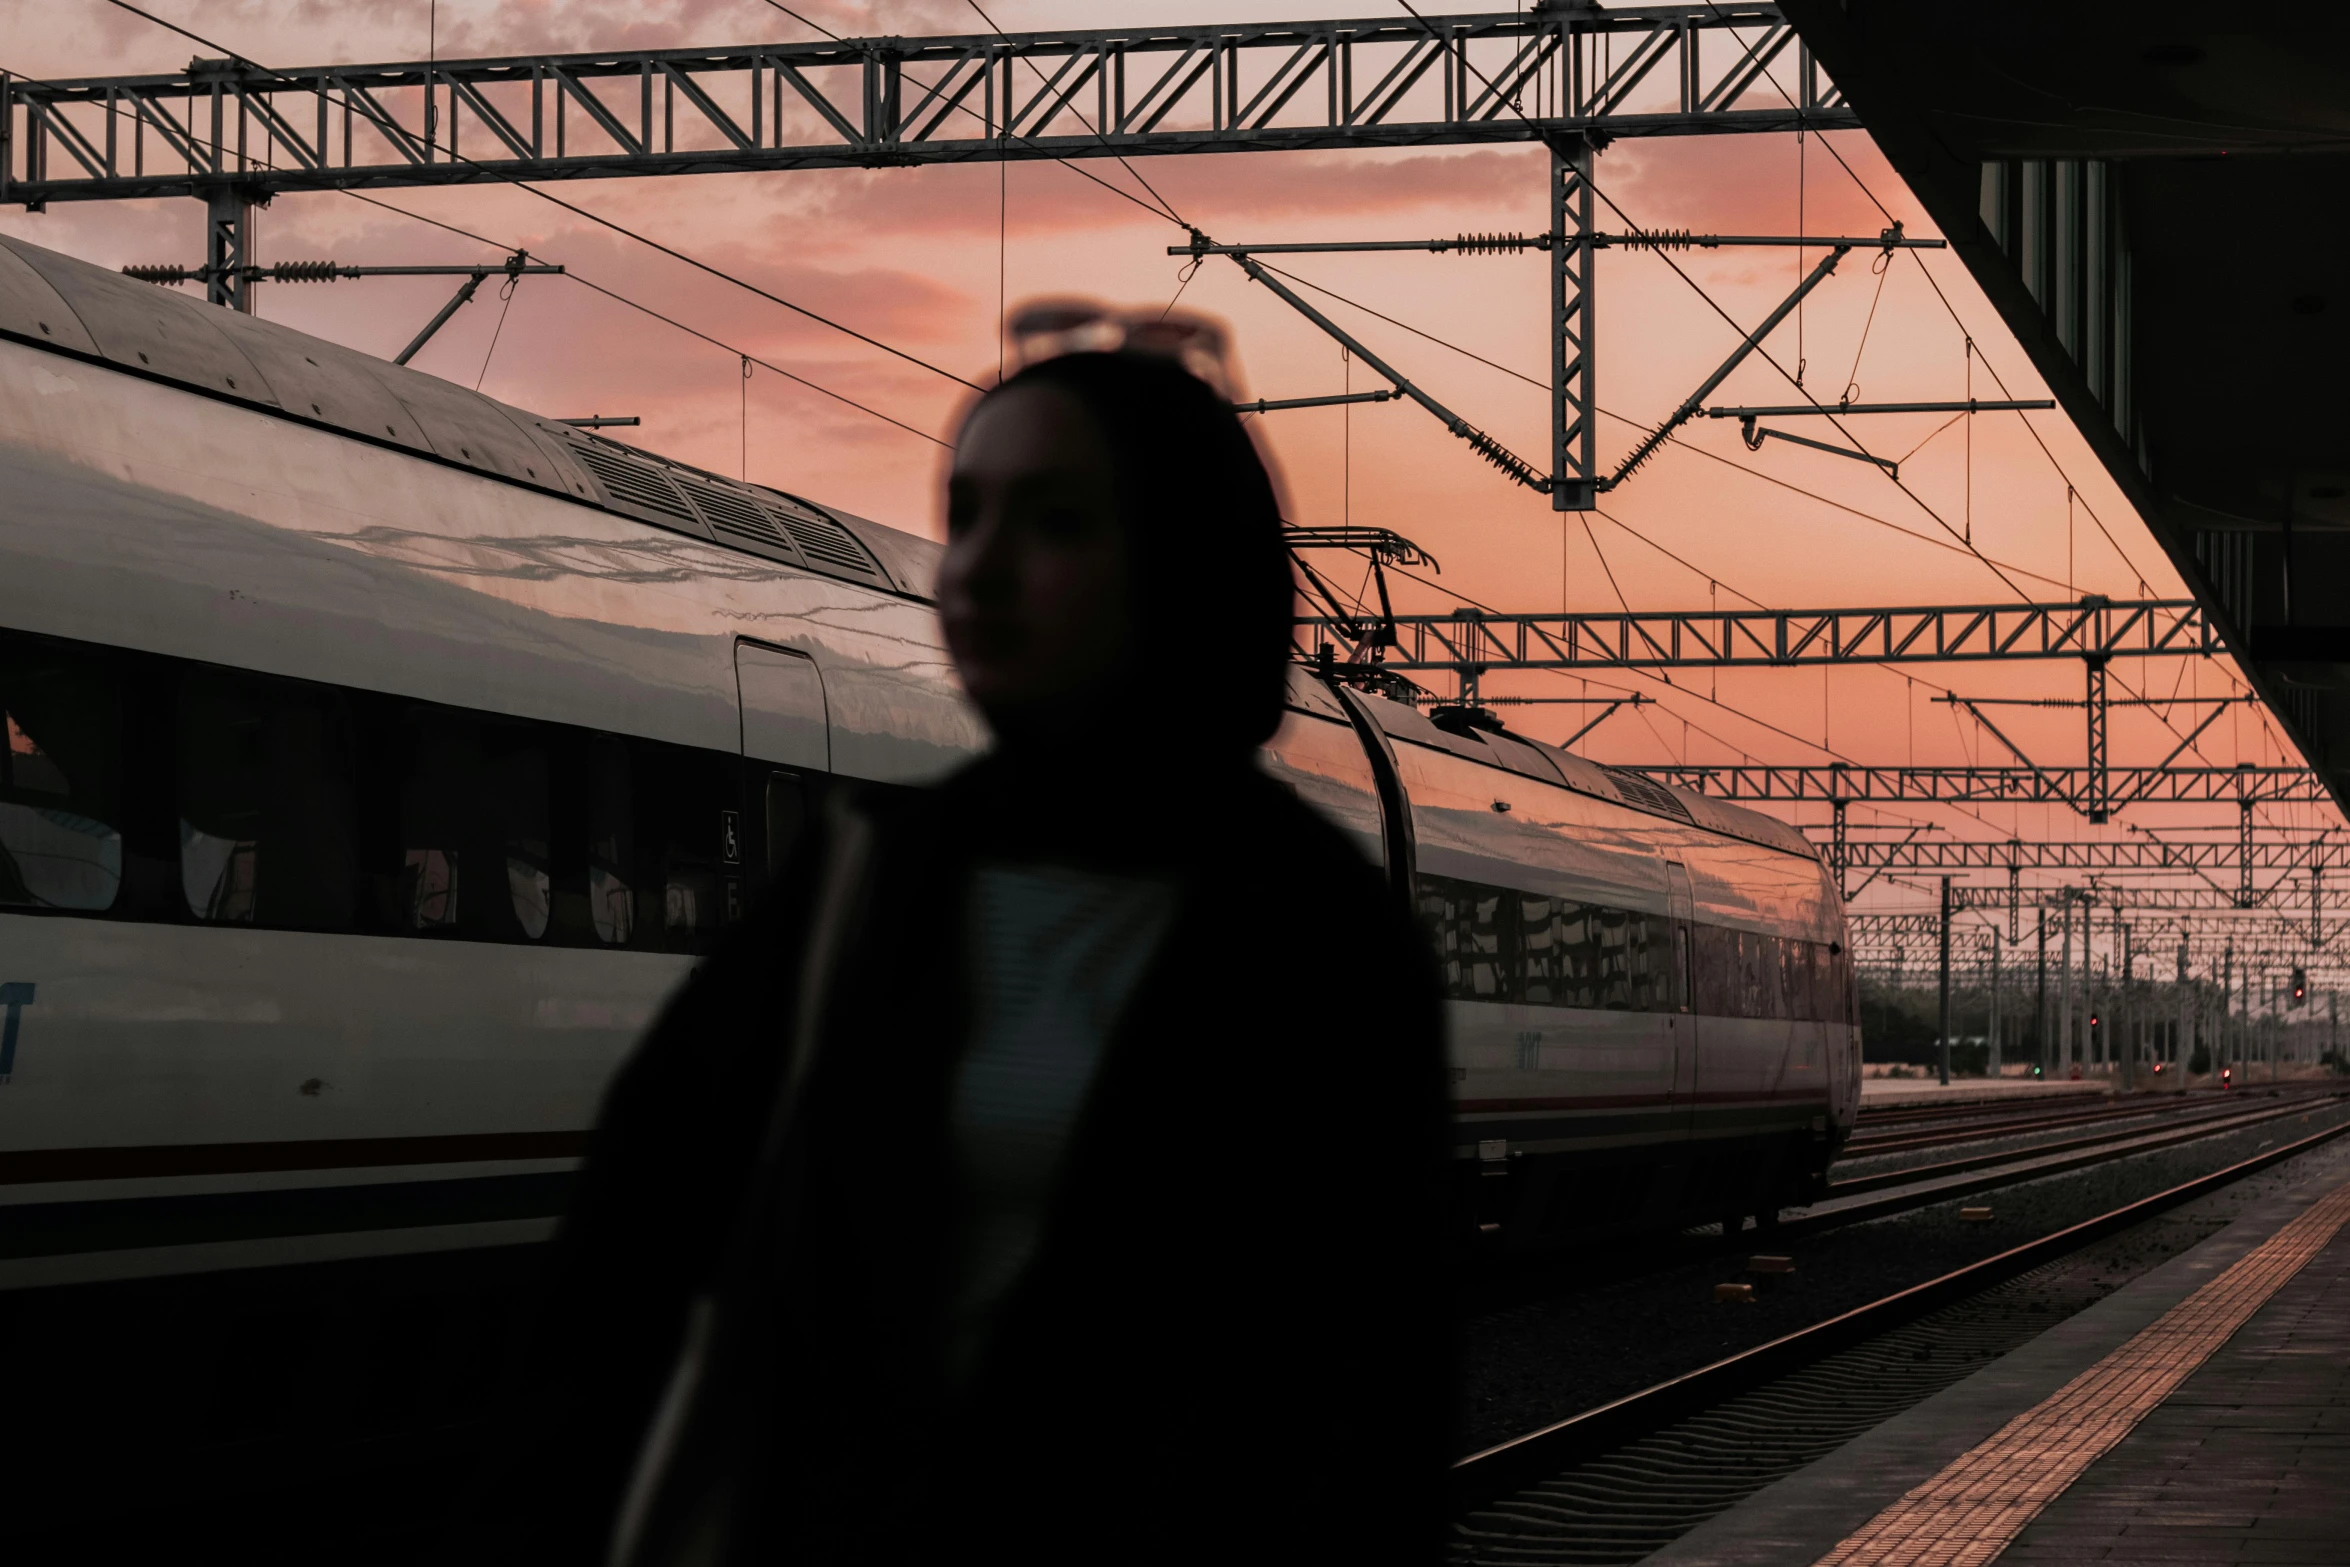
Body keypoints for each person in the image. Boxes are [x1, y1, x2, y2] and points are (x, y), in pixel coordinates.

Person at [475, 349, 1450, 1565]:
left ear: (1182, 562)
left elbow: (1362, 1388)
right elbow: (628, 1264)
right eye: (966, 515)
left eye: (1053, 520)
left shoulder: (1320, 939)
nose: (978, 568)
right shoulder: (863, 878)